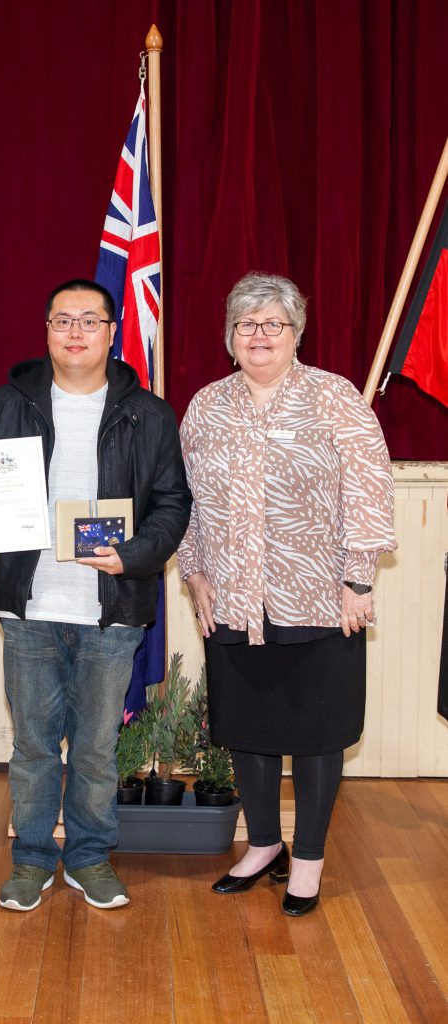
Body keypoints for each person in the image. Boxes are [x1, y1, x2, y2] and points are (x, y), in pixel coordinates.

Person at [0, 279, 191, 912]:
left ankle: (88, 857)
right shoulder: (7, 403)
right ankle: (31, 859)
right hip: (28, 606)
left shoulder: (151, 412)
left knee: (93, 748)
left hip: (111, 609)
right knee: (32, 744)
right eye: (63, 321)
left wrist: (133, 556)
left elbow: (172, 503)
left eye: (90, 320)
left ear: (113, 332)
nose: (76, 332)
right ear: (47, 332)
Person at [178, 272, 396, 916]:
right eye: (247, 324)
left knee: (317, 732)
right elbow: (189, 503)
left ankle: (308, 860)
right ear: (230, 337)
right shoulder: (205, 407)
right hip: (233, 600)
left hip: (320, 599)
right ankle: (265, 844)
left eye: (274, 323)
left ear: (297, 333)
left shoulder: (335, 399)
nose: (260, 335)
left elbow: (369, 491)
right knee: (248, 729)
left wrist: (359, 579)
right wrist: (194, 575)